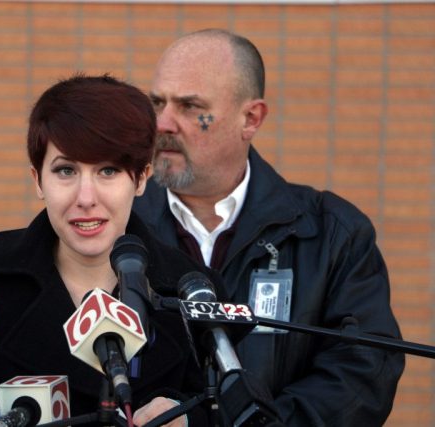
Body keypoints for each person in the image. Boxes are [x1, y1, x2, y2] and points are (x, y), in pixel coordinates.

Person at [0, 74, 213, 427]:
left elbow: (223, 410)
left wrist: (188, 422)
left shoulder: (190, 289)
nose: (86, 198)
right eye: (66, 170)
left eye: (108, 170)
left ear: (141, 179)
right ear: (37, 180)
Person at [133, 28, 405, 426]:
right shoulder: (117, 229)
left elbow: (363, 373)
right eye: (157, 103)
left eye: (191, 106)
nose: (163, 123)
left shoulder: (332, 233)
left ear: (251, 118)